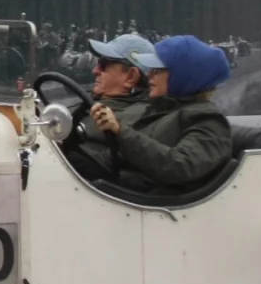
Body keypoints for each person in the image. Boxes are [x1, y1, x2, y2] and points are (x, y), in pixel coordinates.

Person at [89, 34, 233, 193]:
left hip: (149, 206)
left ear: (181, 76)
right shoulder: (159, 110)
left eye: (157, 70)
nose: (149, 74)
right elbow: (112, 159)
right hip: (117, 191)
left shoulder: (209, 122)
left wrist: (120, 131)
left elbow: (180, 167)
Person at [67, 33, 156, 181]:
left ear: (130, 77)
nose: (95, 70)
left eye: (104, 65)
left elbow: (93, 163)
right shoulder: (93, 104)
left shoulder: (135, 119)